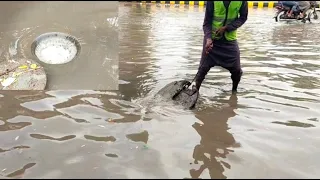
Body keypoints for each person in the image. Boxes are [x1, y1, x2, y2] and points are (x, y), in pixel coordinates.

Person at [191, 1, 248, 94]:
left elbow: (243, 17)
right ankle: (196, 89)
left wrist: (227, 28)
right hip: (212, 40)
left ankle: (234, 92)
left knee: (237, 70)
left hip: (230, 40)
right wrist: (208, 39)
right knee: (203, 68)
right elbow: (207, 22)